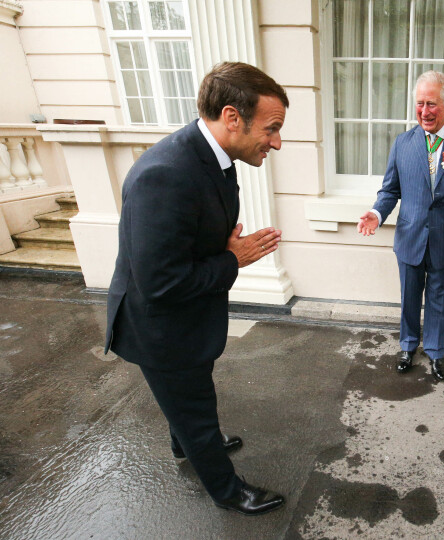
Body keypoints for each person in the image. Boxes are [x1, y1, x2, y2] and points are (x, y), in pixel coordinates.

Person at [105, 62, 288, 514]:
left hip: (188, 314)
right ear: (232, 117)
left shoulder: (213, 158)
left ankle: (184, 441)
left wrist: (224, 251)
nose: (276, 142)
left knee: (191, 399)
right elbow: (160, 283)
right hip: (160, 327)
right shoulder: (165, 174)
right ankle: (228, 491)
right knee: (194, 406)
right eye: (271, 129)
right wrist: (232, 259)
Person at [357, 71, 444, 381]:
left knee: (441, 298)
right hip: (410, 235)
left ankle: (434, 350)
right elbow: (390, 190)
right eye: (420, 104)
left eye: (432, 104)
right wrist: (377, 214)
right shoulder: (402, 143)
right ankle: (407, 345)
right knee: (409, 297)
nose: (425, 111)